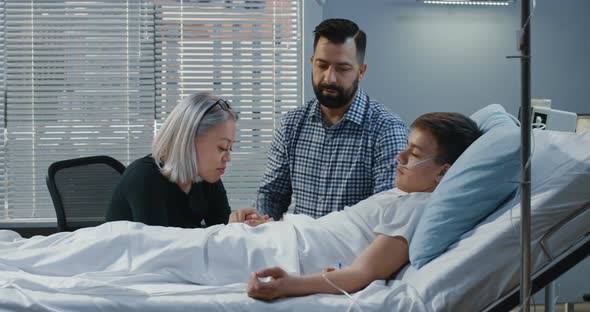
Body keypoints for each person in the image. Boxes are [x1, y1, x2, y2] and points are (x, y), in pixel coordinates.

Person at [246, 112, 483, 301]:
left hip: (291, 250)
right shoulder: (403, 193)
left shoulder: (419, 207)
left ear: (443, 172)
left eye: (414, 153)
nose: (399, 157)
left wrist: (288, 286)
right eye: (406, 147)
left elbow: (362, 273)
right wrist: (269, 226)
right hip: (286, 235)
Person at [255, 18, 409, 220]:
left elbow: (388, 213)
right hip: (299, 247)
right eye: (322, 65)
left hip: (355, 250)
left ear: (361, 72)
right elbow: (271, 195)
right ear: (312, 63)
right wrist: (259, 220)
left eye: (342, 69)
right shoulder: (291, 124)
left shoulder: (387, 130)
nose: (329, 78)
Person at [106, 92, 239, 228]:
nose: (228, 158)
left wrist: (241, 226)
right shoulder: (144, 177)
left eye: (230, 148)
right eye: (222, 147)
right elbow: (160, 247)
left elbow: (223, 236)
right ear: (189, 140)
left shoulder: (205, 175)